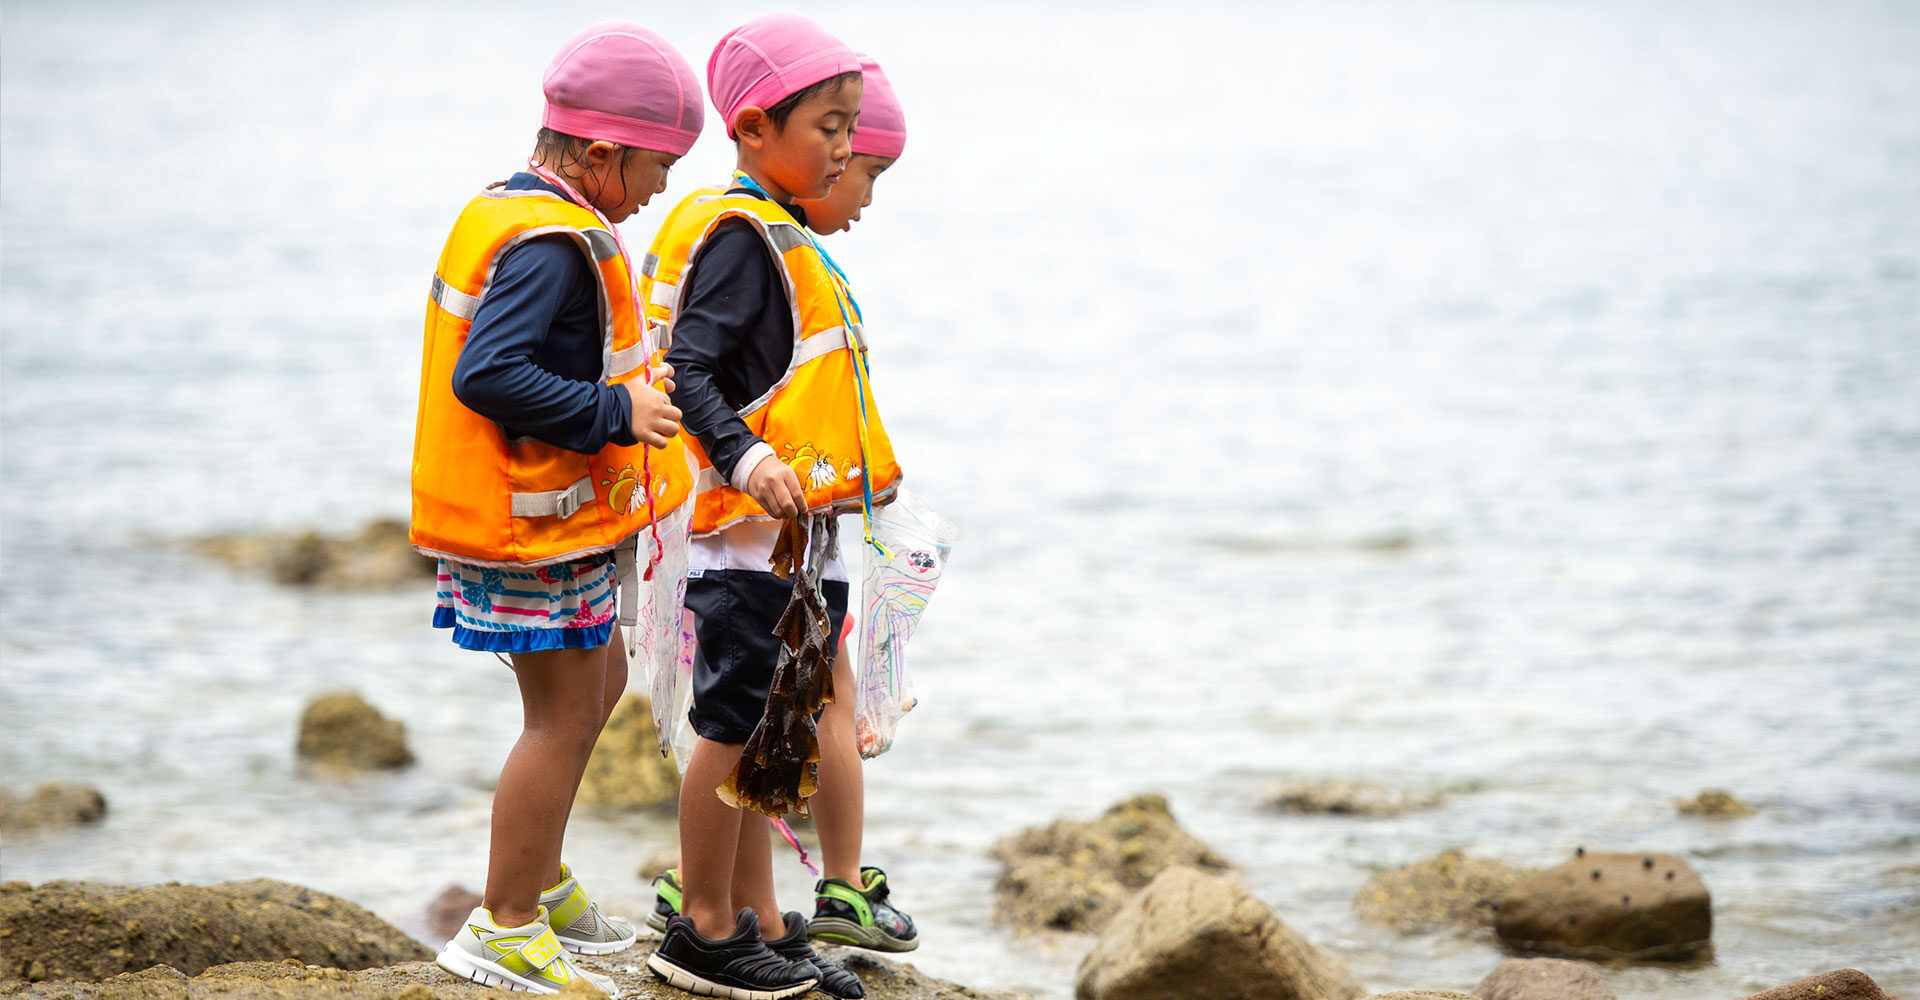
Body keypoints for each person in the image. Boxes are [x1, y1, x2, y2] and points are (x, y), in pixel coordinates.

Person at [410, 20, 702, 996]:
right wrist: (617, 408)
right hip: (528, 528)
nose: (656, 192)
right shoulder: (547, 245)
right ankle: (505, 925)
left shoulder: (518, 210)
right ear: (602, 152)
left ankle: (536, 873)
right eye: (654, 171)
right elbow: (488, 374)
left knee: (599, 679)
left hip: (544, 522)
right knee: (563, 717)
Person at [638, 13, 903, 1000]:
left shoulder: (780, 232)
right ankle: (702, 925)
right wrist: (745, 457)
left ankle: (753, 914)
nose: (845, 145)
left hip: (790, 543)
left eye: (851, 127)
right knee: (736, 720)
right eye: (830, 124)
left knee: (772, 724)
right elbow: (693, 370)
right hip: (743, 538)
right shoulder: (744, 237)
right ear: (753, 128)